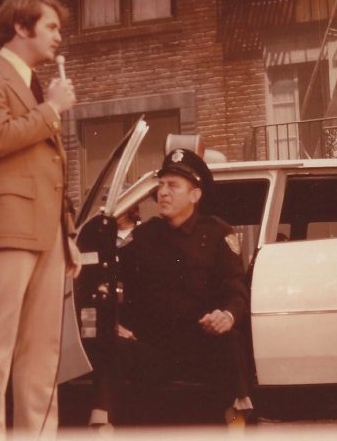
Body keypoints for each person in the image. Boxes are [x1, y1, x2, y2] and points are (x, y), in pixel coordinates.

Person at [0, 0, 90, 439]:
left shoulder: (36, 86)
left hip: (48, 231)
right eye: (51, 26)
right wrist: (52, 109)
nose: (58, 36)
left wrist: (66, 231)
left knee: (42, 350)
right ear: (21, 26)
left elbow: (48, 169)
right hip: (9, 227)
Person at [89, 149, 254, 428]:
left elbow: (235, 288)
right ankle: (101, 425)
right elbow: (111, 280)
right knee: (110, 341)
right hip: (154, 349)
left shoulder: (217, 233)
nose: (162, 192)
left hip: (200, 347)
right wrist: (115, 323)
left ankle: (237, 421)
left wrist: (227, 315)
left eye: (173, 185)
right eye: (161, 185)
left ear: (195, 195)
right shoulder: (144, 236)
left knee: (231, 339)